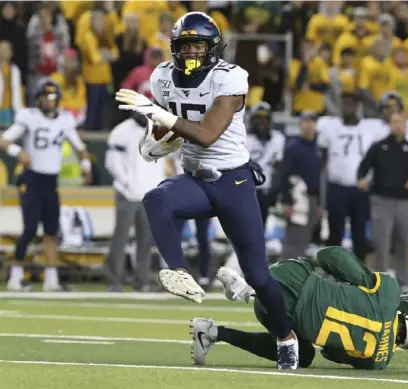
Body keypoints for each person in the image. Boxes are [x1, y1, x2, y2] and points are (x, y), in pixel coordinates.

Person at [114, 12, 299, 370]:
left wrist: (159, 115)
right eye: (185, 46)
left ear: (213, 48)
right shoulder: (162, 77)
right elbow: (166, 130)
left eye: (199, 44)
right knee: (156, 199)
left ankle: (285, 338)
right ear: (174, 49)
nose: (192, 52)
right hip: (196, 177)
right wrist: (152, 141)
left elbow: (207, 133)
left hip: (234, 182)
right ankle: (179, 272)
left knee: (258, 275)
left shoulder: (230, 78)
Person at [191, 246, 408, 369]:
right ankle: (215, 332)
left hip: (291, 279)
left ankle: (253, 287)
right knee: (304, 355)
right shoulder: (378, 362)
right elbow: (329, 354)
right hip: (279, 319)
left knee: (316, 267)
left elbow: (331, 256)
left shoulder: (389, 291)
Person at [0, 78, 92, 291]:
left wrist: (86, 164)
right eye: (45, 97)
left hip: (51, 181)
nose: (49, 101)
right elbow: (4, 140)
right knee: (30, 229)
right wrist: (18, 152)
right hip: (31, 179)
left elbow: (80, 147)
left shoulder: (65, 120)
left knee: (51, 231)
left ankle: (52, 280)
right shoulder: (29, 117)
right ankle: (15, 277)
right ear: (38, 98)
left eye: (52, 97)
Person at [357, 111, 408, 290]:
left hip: (405, 201)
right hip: (381, 200)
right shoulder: (379, 147)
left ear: (406, 126)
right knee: (381, 242)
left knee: (404, 241)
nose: (398, 126)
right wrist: (362, 179)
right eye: (395, 122)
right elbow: (363, 167)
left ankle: (404, 281)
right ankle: (381, 281)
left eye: (401, 123)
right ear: (390, 124)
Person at [104, 112, 170, 292]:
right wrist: (126, 183)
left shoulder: (160, 129)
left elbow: (161, 162)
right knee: (121, 237)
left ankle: (142, 281)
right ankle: (114, 281)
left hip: (149, 193)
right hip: (127, 192)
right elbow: (112, 162)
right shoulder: (121, 131)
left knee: (146, 240)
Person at [318, 92, 376, 262]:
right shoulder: (329, 126)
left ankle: (359, 273)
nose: (347, 107)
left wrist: (369, 180)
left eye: (351, 103)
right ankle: (332, 270)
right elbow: (322, 160)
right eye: (344, 103)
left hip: (360, 188)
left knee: (359, 233)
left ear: (358, 106)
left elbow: (375, 160)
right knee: (335, 232)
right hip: (336, 186)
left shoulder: (369, 128)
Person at [278, 111, 322, 260]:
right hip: (296, 199)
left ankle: (296, 276)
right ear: (300, 125)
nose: (308, 126)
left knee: (304, 240)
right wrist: (286, 201)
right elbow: (284, 175)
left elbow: (321, 177)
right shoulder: (293, 147)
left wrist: (321, 203)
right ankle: (282, 274)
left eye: (311, 122)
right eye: (305, 122)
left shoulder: (319, 148)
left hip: (313, 199)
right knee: (293, 239)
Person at [246, 101, 285, 227]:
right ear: (252, 120)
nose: (262, 123)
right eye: (258, 119)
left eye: (265, 119)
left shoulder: (278, 138)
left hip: (267, 191)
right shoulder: (245, 140)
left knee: (262, 226)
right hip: (248, 190)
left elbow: (278, 166)